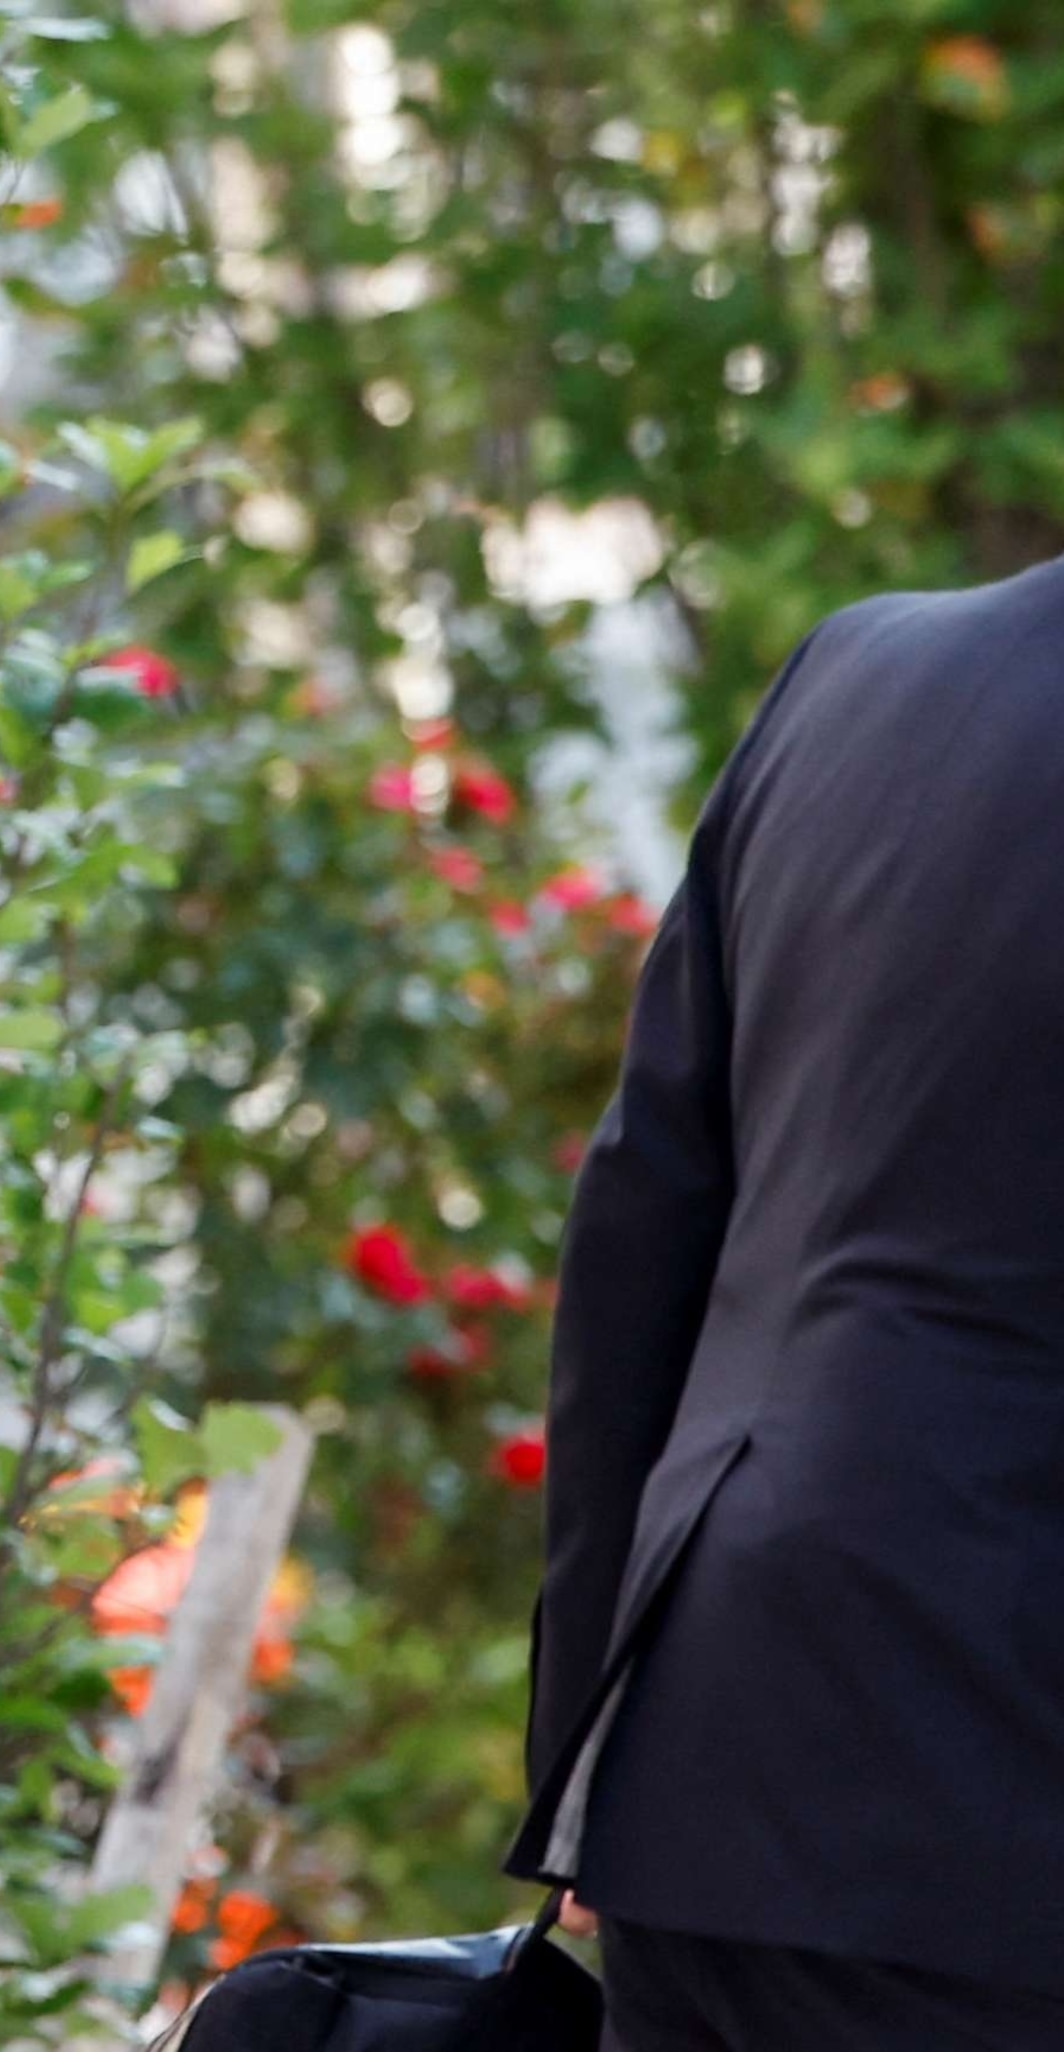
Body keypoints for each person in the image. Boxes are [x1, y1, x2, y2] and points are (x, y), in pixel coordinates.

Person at [508, 566, 1064, 2049]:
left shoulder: (863, 670)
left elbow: (636, 1245)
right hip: (1001, 1837)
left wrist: (584, 1757)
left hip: (704, 1772)